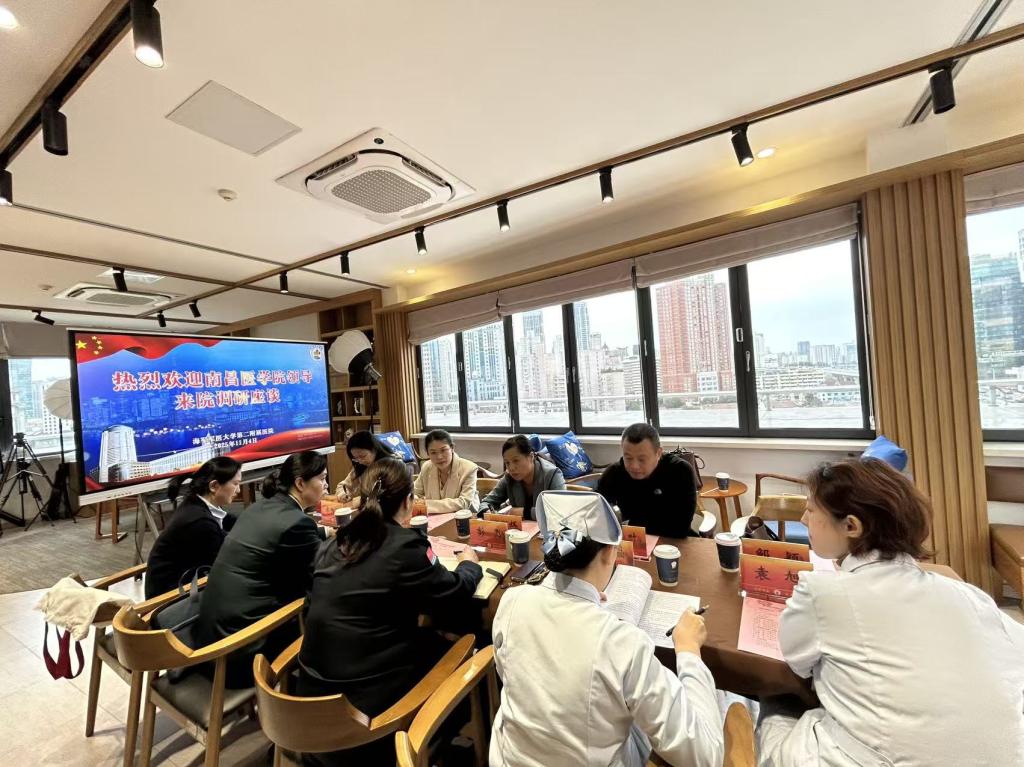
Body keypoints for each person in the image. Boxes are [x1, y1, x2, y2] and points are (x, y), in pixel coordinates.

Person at [758, 458, 1024, 766]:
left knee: (776, 698)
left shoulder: (823, 592)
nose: (804, 519)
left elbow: (797, 662)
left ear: (851, 526)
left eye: (812, 510)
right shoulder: (969, 596)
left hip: (871, 757)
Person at [490, 491, 723, 766]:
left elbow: (510, 672)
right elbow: (703, 755)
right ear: (610, 552)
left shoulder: (513, 601)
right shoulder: (623, 644)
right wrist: (689, 651)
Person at [298, 458, 483, 765]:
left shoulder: (335, 543)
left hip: (306, 703)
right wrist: (468, 565)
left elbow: (312, 605)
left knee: (427, 638)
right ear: (409, 501)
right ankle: (429, 746)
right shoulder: (405, 546)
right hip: (363, 718)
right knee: (467, 652)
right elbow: (453, 593)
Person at [192, 451, 327, 686]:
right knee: (326, 604)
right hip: (241, 651)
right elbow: (323, 571)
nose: (326, 485)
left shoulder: (260, 507)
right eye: (322, 478)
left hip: (210, 639)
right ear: (300, 483)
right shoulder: (297, 523)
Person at [144, 456, 242, 599]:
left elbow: (231, 521)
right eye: (235, 484)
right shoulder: (199, 522)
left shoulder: (198, 503)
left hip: (187, 584)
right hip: (170, 598)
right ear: (214, 486)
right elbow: (226, 562)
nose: (238, 490)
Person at [597, 423, 698, 538]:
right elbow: (599, 514)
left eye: (642, 459)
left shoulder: (679, 471)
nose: (634, 466)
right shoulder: (614, 473)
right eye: (628, 458)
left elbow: (680, 526)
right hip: (632, 540)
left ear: (658, 453)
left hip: (673, 542)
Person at [478, 435, 565, 520]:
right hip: (521, 528)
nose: (511, 468)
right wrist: (486, 511)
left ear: (531, 457)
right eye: (507, 463)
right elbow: (486, 502)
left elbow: (559, 511)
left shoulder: (552, 474)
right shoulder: (509, 477)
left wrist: (524, 512)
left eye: (516, 461)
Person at [412, 429, 479, 513]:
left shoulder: (469, 468)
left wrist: (425, 504)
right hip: (433, 517)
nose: (439, 457)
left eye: (443, 450)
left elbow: (463, 503)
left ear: (452, 448)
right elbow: (415, 493)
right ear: (428, 454)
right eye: (433, 453)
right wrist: (415, 499)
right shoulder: (427, 467)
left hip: (465, 516)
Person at [335, 430, 395, 502]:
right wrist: (343, 494)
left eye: (363, 456)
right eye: (355, 458)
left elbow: (390, 496)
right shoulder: (360, 466)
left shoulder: (392, 466)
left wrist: (361, 500)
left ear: (374, 450)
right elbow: (342, 485)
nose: (360, 461)